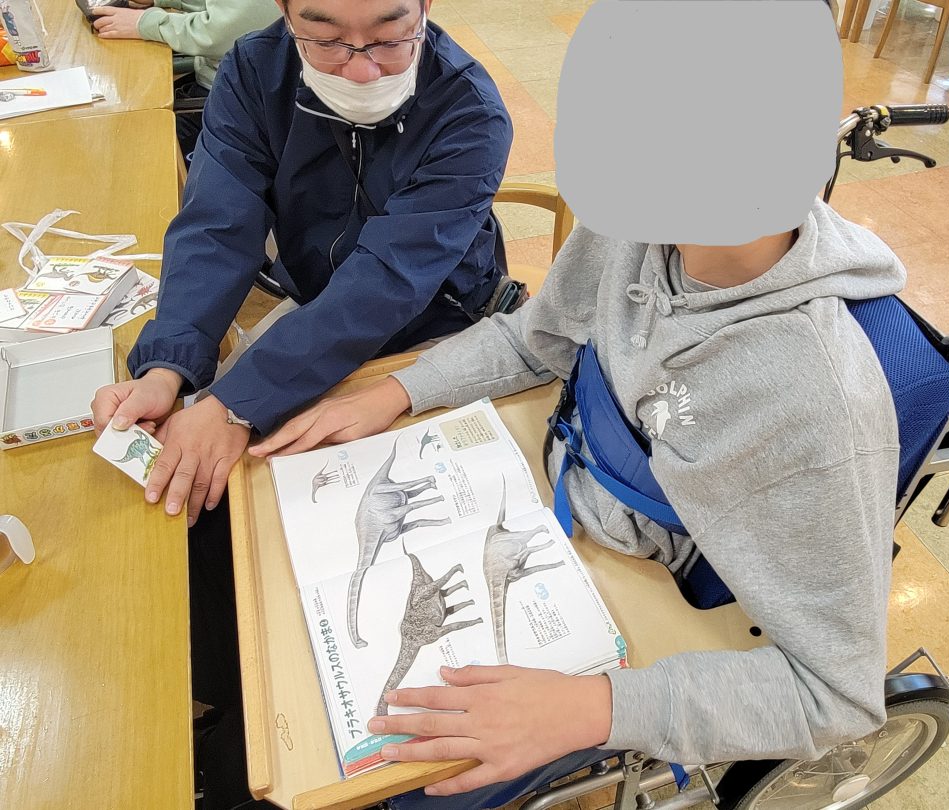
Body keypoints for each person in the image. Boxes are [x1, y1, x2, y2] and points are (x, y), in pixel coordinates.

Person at [249, 1, 904, 804]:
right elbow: (540, 338)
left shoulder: (817, 400)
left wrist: (594, 709)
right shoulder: (643, 215)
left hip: (629, 583)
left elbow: (837, 694)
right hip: (543, 484)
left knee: (366, 756)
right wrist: (397, 390)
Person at [91, 0, 513, 529]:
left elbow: (388, 280)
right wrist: (167, 365)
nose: (362, 71)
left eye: (390, 39)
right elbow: (217, 225)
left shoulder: (469, 112)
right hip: (314, 305)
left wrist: (235, 404)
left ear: (425, 8)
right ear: (285, 13)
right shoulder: (255, 69)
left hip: (433, 323)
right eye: (326, 41)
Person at [90, 0, 283, 157]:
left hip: (240, 100)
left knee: (128, 146)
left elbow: (220, 34)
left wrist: (147, 23)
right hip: (222, 80)